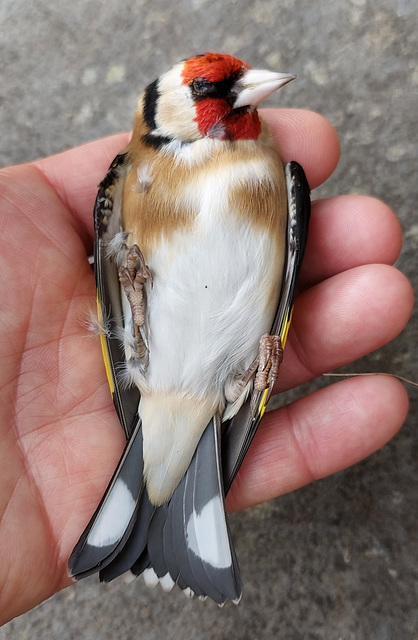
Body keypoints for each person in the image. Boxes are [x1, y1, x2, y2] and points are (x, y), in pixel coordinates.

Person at [0, 109, 412, 625]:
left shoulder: (283, 180)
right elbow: (111, 292)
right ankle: (174, 523)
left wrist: (257, 373)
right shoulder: (129, 176)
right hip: (152, 372)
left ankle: (156, 518)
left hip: (220, 385)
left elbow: (281, 299)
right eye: (205, 91)